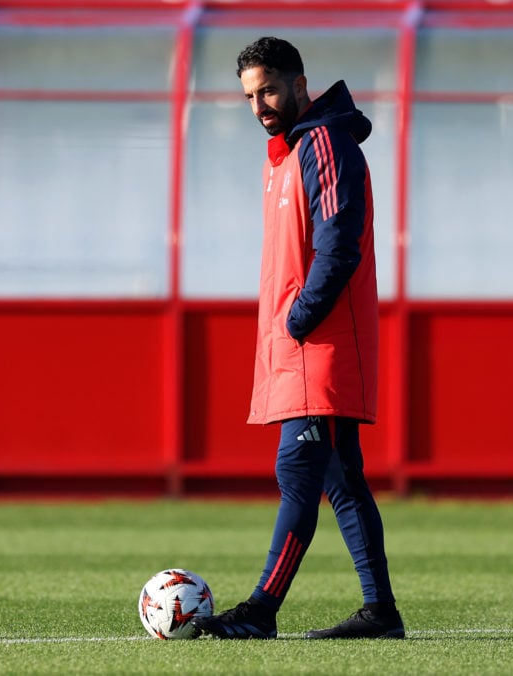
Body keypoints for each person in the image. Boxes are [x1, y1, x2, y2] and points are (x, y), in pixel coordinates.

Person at [191, 36, 403, 641]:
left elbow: (340, 244)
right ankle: (380, 612)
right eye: (250, 96)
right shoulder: (283, 156)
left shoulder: (325, 143)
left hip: (322, 346)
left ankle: (260, 611)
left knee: (299, 472)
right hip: (301, 348)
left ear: (300, 83)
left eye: (270, 90)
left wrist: (298, 320)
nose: (260, 105)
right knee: (341, 479)